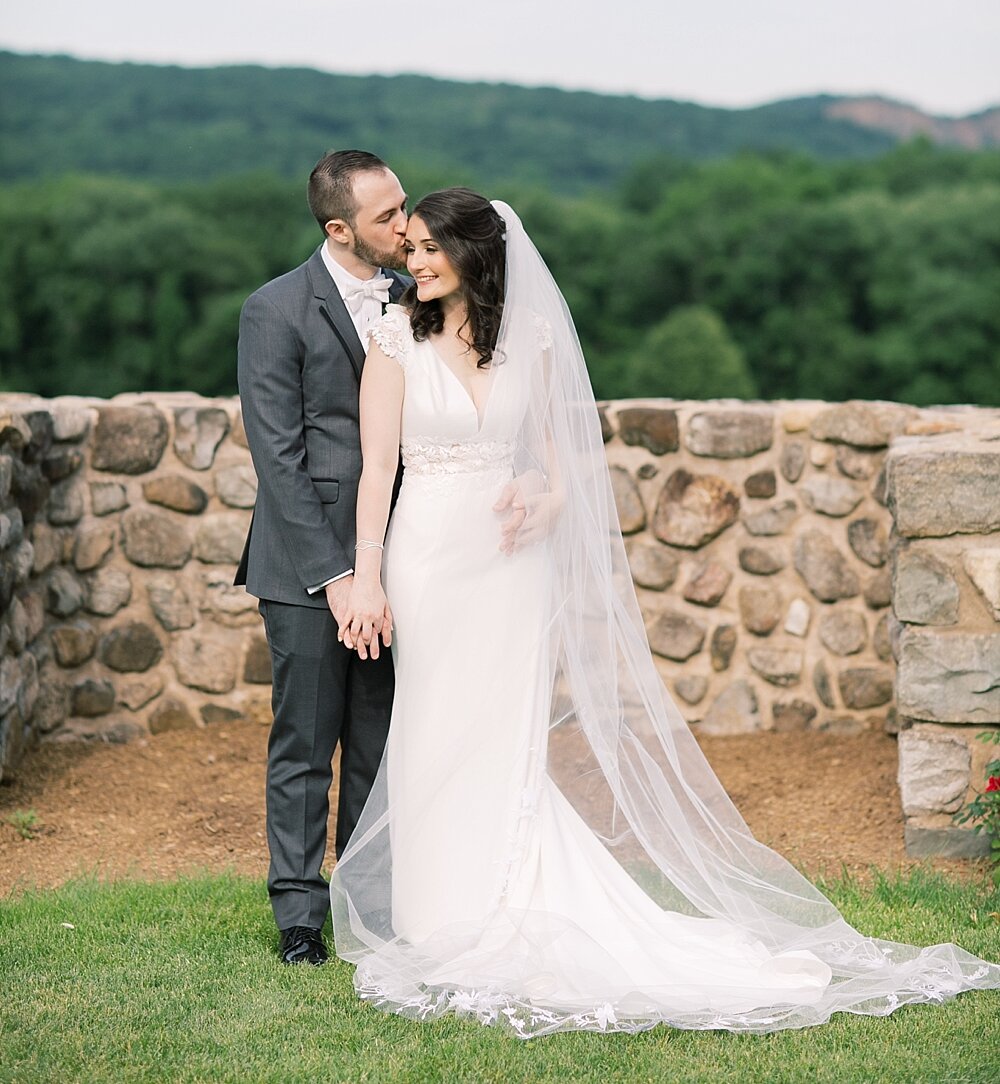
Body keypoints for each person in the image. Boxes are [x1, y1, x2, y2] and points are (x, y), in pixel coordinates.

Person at [329, 187, 1000, 1037]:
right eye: (411, 247)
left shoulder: (526, 340)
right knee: (431, 726)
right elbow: (374, 471)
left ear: (475, 254)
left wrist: (544, 497)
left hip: (507, 568)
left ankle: (503, 893)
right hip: (425, 558)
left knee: (500, 734)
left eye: (430, 248)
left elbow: (558, 465)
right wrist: (369, 577)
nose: (415, 262)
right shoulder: (394, 340)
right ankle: (435, 917)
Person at [235, 149, 410, 966]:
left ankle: (366, 904)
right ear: (339, 229)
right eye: (386, 216)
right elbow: (279, 458)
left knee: (379, 739)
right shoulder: (274, 310)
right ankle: (299, 919)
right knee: (306, 745)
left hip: (406, 556)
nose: (405, 226)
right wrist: (339, 579)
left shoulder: (421, 297)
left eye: (403, 205)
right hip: (307, 571)